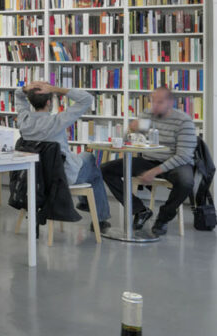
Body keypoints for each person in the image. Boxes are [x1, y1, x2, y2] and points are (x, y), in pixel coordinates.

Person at [16, 81, 112, 232]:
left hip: (36, 178)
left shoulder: (23, 121)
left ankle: (86, 204)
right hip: (61, 177)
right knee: (91, 162)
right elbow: (86, 99)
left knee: (84, 157)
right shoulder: (57, 121)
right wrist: (56, 88)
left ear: (31, 102)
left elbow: (18, 96)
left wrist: (25, 89)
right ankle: (99, 219)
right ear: (49, 102)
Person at [101, 86, 197, 236]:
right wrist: (130, 130)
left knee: (186, 182)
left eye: (159, 102)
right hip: (149, 159)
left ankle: (163, 218)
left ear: (170, 102)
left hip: (175, 163)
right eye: (152, 101)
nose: (154, 106)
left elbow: (183, 156)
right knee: (105, 169)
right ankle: (140, 210)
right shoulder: (148, 115)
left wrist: (154, 172)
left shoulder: (184, 121)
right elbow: (129, 142)